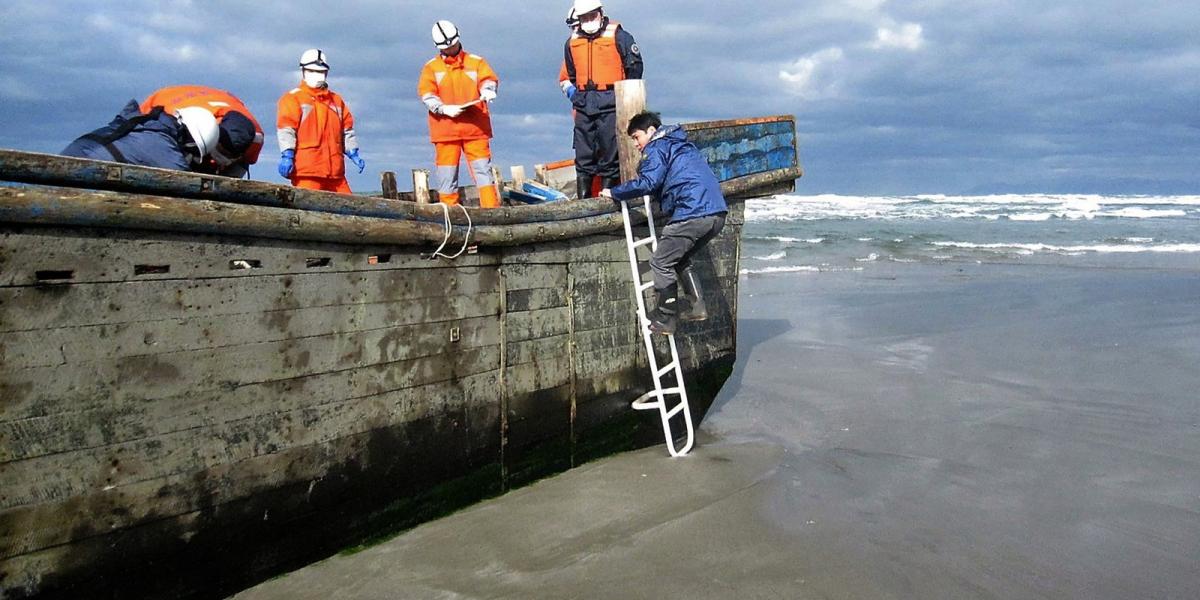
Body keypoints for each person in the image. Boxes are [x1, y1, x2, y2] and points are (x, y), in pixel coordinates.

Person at [601, 111, 727, 335]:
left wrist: (615, 192)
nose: (637, 145)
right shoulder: (683, 145)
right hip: (716, 214)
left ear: (652, 131)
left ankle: (665, 318)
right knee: (679, 258)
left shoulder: (657, 146)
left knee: (660, 262)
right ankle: (697, 307)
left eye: (637, 137)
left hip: (693, 212)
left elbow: (649, 181)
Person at [558, 0, 642, 200]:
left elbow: (635, 67)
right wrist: (577, 95)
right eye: (583, 17)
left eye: (591, 15)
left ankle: (607, 196)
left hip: (611, 100)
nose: (587, 21)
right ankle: (583, 200)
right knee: (583, 150)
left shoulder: (619, 36)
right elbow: (569, 74)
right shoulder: (571, 42)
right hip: (584, 102)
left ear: (600, 12)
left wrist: (624, 97)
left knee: (609, 150)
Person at [418, 20, 502, 208]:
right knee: (447, 179)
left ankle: (491, 214)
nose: (450, 49)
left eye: (452, 44)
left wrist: (488, 90)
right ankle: (450, 217)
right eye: (446, 47)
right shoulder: (431, 68)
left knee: (484, 175)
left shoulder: (476, 62)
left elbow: (488, 79)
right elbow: (427, 94)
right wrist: (443, 108)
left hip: (475, 129)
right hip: (446, 131)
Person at [276, 49, 365, 194]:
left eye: (321, 72)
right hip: (307, 172)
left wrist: (353, 151)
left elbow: (347, 129)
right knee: (308, 213)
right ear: (303, 71)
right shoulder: (293, 98)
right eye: (312, 71)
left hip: (336, 174)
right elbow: (287, 129)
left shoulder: (337, 101)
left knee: (350, 211)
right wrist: (287, 155)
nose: (317, 75)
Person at [140, 85, 263, 178]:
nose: (223, 159)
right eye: (221, 151)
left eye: (230, 156)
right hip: (163, 103)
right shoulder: (182, 120)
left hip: (213, 99)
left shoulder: (256, 138)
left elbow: (243, 165)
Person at [62, 100, 220, 171]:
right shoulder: (164, 148)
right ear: (190, 141)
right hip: (80, 175)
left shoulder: (146, 124)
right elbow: (186, 185)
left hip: (68, 162)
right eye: (192, 152)